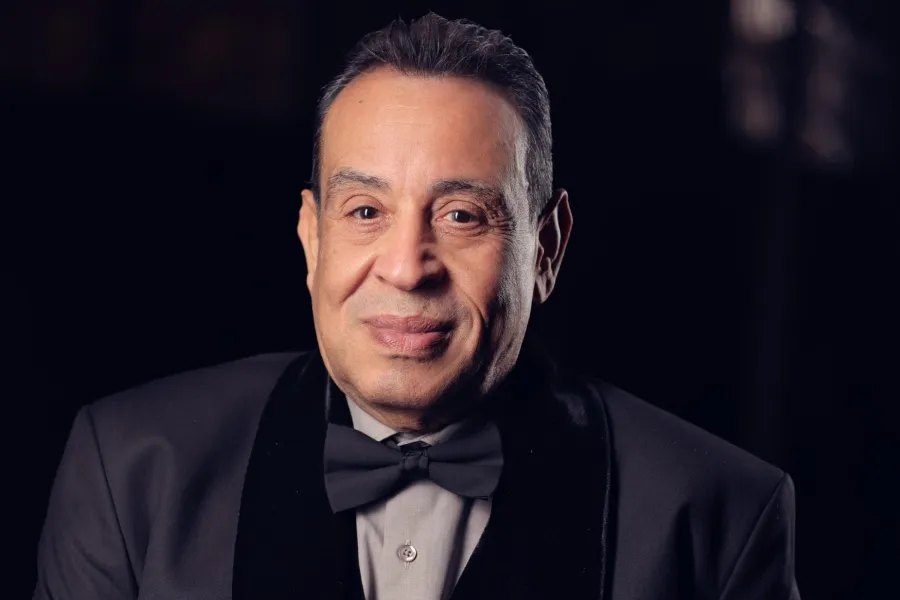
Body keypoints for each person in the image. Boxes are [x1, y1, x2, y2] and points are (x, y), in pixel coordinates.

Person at [33, 13, 801, 600]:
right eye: (366, 212)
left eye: (462, 216)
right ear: (312, 240)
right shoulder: (130, 468)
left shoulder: (720, 515)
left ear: (547, 248)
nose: (406, 268)